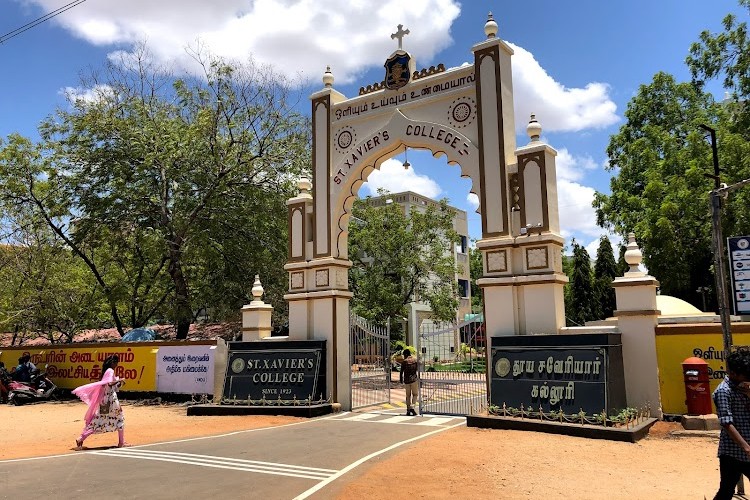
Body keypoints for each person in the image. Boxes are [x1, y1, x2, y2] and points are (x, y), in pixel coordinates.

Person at [713, 348, 750, 500]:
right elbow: (727, 423)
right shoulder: (723, 391)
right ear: (733, 373)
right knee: (726, 491)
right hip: (732, 453)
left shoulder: (745, 387)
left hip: (747, 449)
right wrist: (746, 447)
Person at [72, 355, 129, 450]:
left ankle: (81, 437)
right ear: (112, 362)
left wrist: (118, 383)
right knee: (119, 419)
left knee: (100, 420)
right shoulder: (110, 371)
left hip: (106, 400)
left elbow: (109, 385)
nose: (117, 364)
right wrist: (120, 380)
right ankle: (121, 442)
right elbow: (109, 384)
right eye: (116, 362)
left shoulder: (106, 372)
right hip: (111, 400)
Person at [399, 349, 419, 416]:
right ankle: (412, 407)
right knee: (415, 394)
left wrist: (401, 380)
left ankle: (408, 410)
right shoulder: (415, 360)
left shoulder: (404, 361)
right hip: (414, 380)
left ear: (405, 354)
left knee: (408, 396)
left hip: (407, 380)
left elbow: (401, 371)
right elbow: (417, 369)